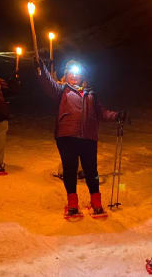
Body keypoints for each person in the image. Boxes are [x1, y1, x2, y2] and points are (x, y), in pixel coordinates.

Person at [36, 59, 126, 218]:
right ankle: (72, 204)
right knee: (70, 170)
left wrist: (116, 115)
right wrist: (40, 66)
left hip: (88, 137)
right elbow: (47, 83)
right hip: (67, 137)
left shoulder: (91, 94)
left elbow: (101, 113)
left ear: (82, 76)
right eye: (71, 72)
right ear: (66, 75)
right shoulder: (61, 90)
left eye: (77, 73)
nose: (74, 75)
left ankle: (96, 202)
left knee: (92, 171)